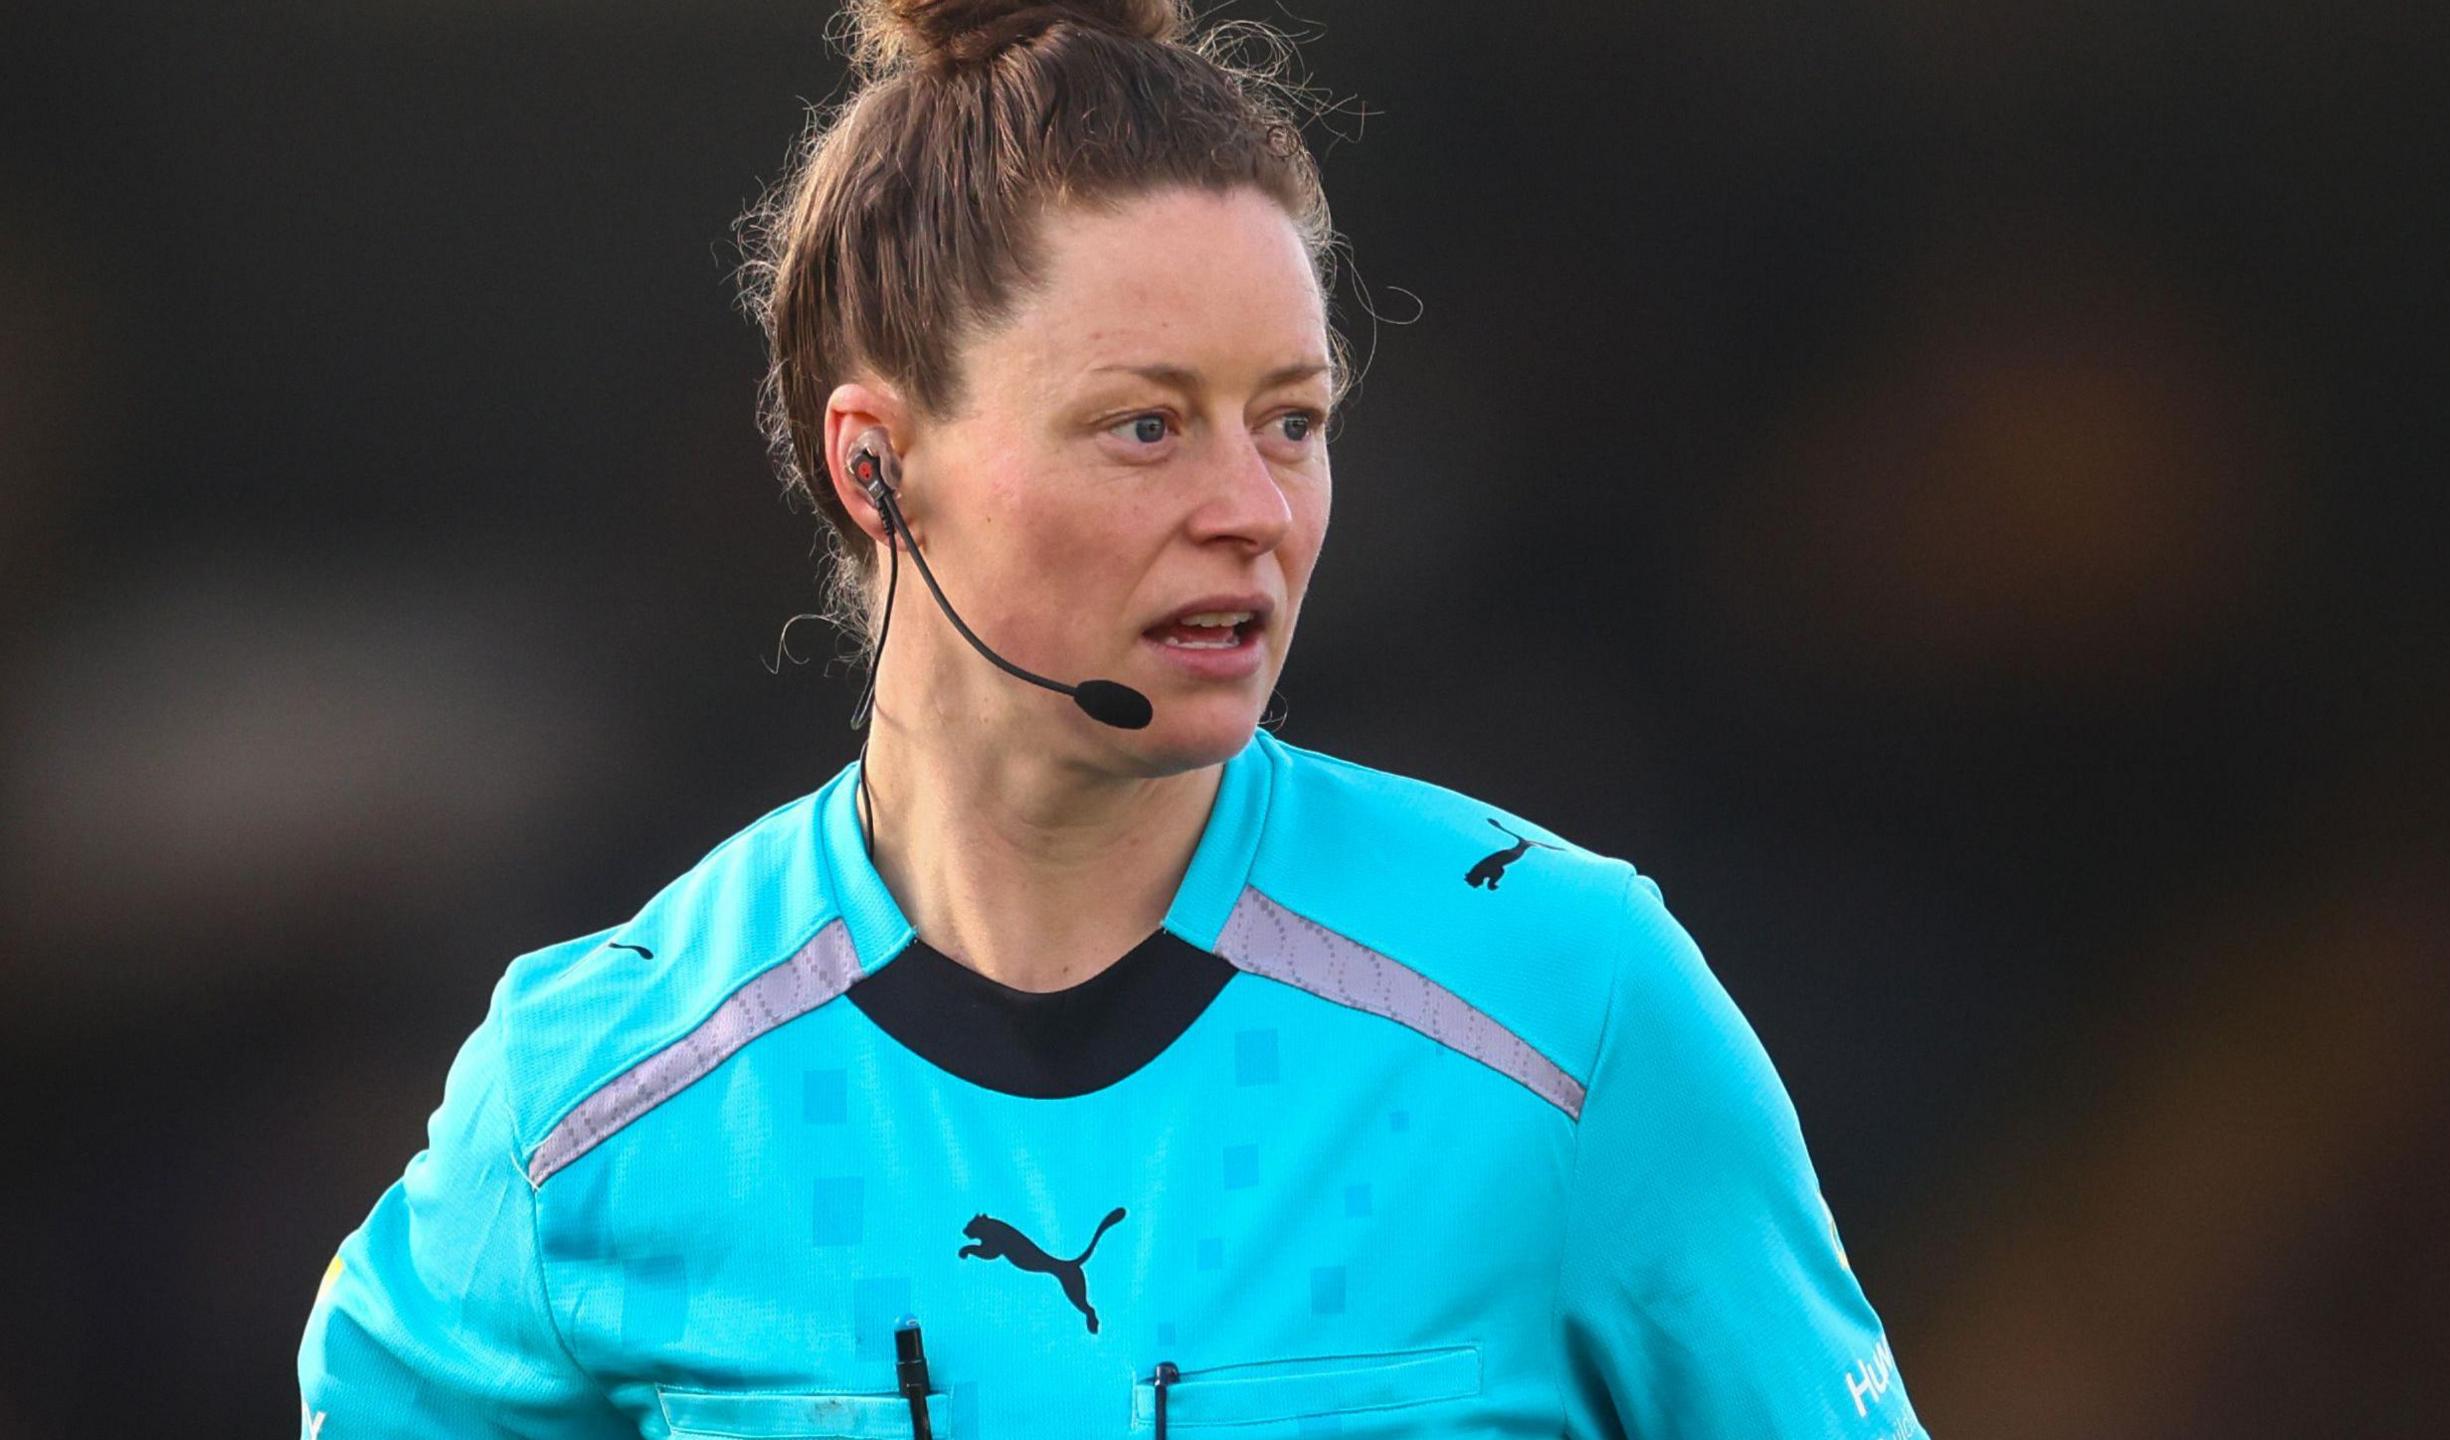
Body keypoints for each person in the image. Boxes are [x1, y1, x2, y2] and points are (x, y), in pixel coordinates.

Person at [295, 2, 1928, 1436]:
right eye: (1145, 426)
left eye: (1291, 421)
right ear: (877, 467)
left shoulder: (1571, 1008)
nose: (1252, 510)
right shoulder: (590, 1098)